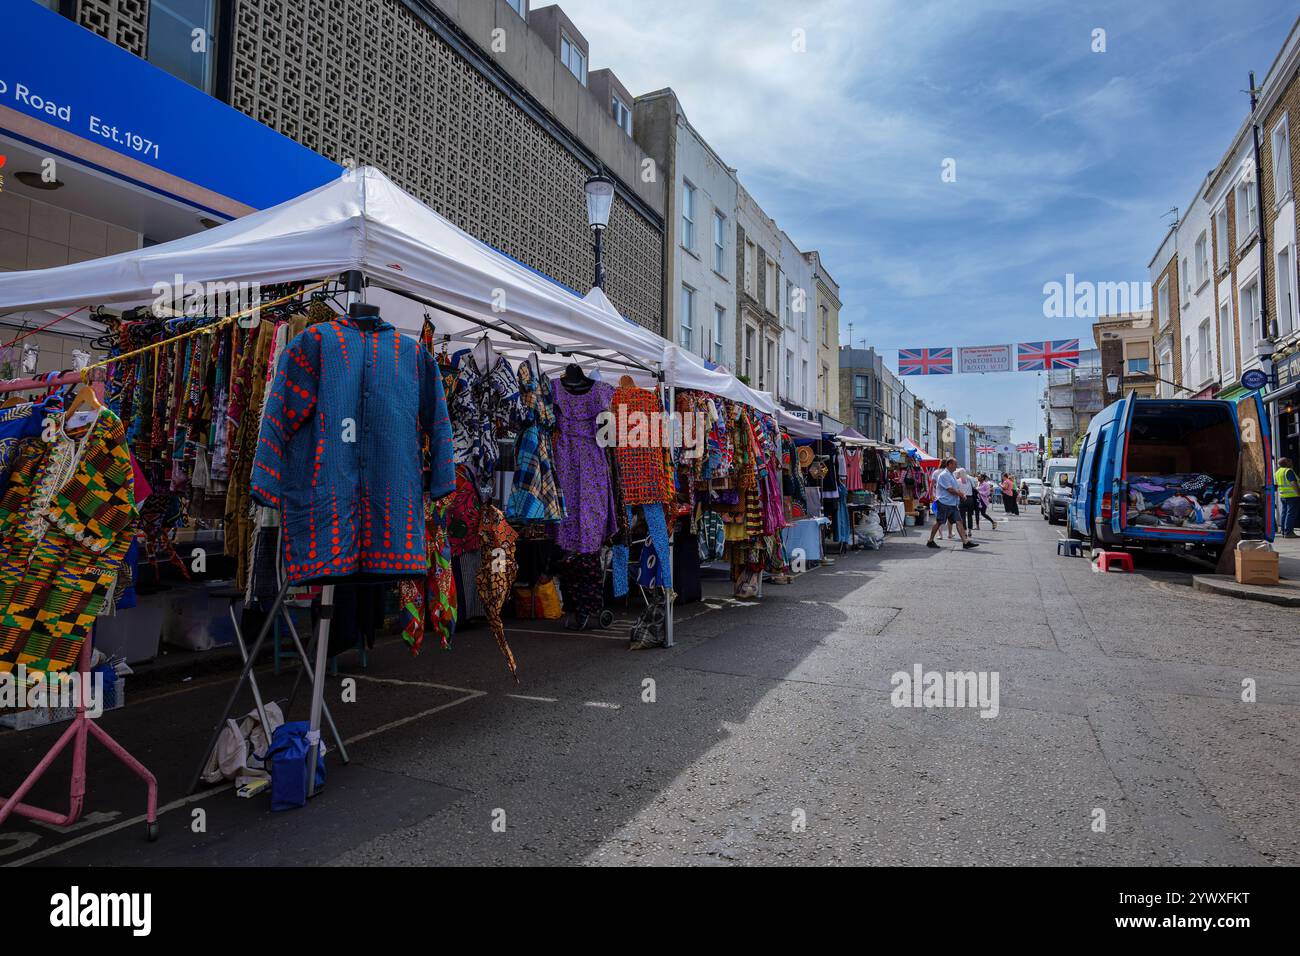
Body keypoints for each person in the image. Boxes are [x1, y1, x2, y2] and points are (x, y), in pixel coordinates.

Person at [927, 459, 979, 550]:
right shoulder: (944, 475)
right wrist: (960, 494)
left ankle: (965, 542)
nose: (956, 466)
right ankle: (930, 541)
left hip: (952, 503)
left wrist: (961, 494)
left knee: (959, 521)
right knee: (939, 522)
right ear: (949, 464)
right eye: (955, 464)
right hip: (944, 502)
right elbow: (950, 489)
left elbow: (955, 488)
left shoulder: (951, 475)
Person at [1277, 457, 1299, 538]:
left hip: (1283, 496)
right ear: (1286, 463)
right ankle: (1289, 532)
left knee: (1284, 513)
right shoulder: (1288, 471)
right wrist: (1298, 493)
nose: (1291, 463)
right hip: (1292, 495)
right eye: (1289, 461)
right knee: (1291, 514)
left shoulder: (1278, 472)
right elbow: (1293, 483)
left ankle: (1283, 531)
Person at [956, 467, 977, 532]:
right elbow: (975, 486)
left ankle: (964, 530)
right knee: (970, 515)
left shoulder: (958, 481)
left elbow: (957, 490)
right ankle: (970, 530)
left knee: (962, 516)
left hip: (962, 498)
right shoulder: (970, 479)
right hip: (970, 499)